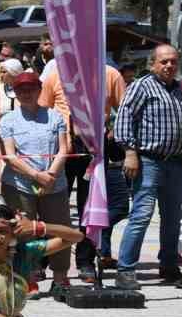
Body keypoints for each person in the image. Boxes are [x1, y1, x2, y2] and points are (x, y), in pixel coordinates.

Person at [38, 55, 127, 279]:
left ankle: (85, 261)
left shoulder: (110, 74)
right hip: (61, 151)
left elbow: (125, 109)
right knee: (53, 206)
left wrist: (113, 131)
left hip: (95, 151)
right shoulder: (55, 76)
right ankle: (43, 259)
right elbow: (42, 112)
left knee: (91, 207)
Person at [113, 44, 182, 290]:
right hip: (148, 161)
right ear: (152, 64)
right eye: (164, 61)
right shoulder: (141, 86)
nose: (169, 66)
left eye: (173, 62)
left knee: (173, 218)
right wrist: (130, 153)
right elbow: (124, 119)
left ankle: (168, 265)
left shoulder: (179, 89)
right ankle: (125, 270)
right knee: (142, 215)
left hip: (175, 163)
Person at [0, 66, 74, 299]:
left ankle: (60, 277)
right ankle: (26, 278)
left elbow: (65, 148)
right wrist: (35, 175)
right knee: (22, 232)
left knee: (60, 229)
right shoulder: (8, 120)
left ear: (40, 89)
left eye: (31, 88)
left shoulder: (55, 115)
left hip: (55, 183)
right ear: (14, 92)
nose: (26, 93)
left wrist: (50, 174)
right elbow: (10, 155)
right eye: (21, 90)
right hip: (19, 185)